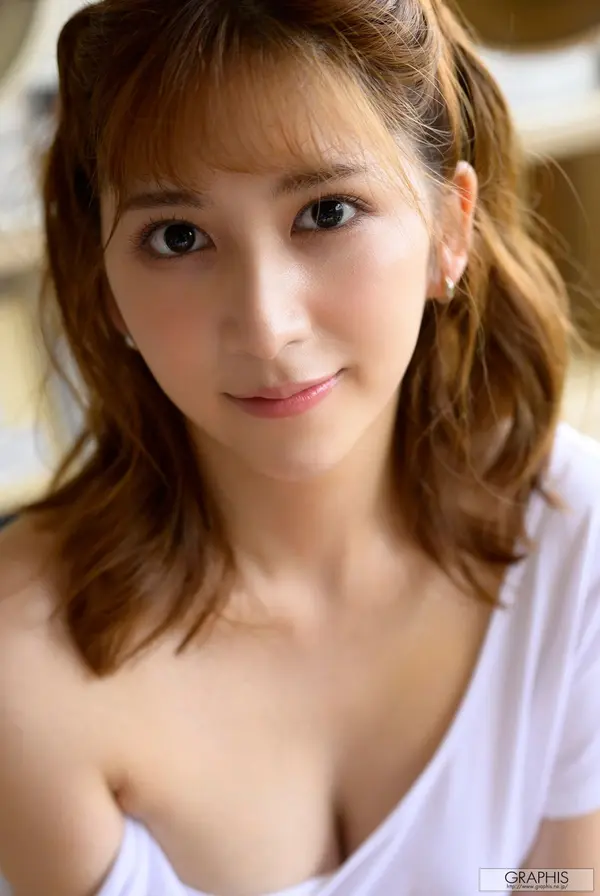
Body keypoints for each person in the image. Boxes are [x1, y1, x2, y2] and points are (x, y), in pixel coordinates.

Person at [0, 0, 599, 894]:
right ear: (106, 281)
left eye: (327, 213)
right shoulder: (27, 663)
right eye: (178, 237)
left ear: (450, 227)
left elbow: (553, 884)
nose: (265, 325)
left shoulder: (569, 536)